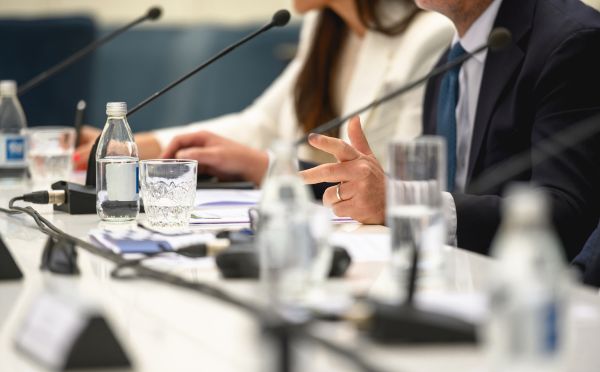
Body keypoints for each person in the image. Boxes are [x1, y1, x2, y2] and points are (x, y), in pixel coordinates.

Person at [300, 0, 600, 260]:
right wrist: (362, 185)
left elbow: (566, 215)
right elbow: (436, 191)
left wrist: (401, 200)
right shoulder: (448, 63)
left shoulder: (571, 41)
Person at [74, 0, 453, 182]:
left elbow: (398, 181)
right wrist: (130, 145)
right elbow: (261, 123)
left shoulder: (427, 38)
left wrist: (263, 167)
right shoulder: (325, 27)